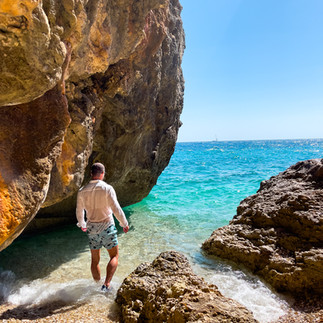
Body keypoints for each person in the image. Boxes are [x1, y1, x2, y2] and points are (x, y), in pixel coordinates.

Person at [76, 162, 129, 291]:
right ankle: (106, 285)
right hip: (107, 227)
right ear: (102, 174)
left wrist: (82, 224)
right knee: (114, 256)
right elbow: (116, 209)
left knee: (95, 260)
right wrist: (124, 224)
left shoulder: (82, 191)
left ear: (91, 174)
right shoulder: (107, 188)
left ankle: (96, 286)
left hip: (92, 229)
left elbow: (79, 211)